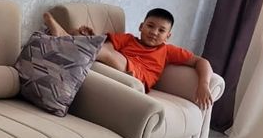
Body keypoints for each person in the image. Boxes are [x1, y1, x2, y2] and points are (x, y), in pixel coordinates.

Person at [42, 8, 214, 109]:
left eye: (161, 30)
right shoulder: (128, 39)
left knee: (108, 52)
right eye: (150, 26)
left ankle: (65, 38)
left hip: (138, 76)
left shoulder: (167, 50)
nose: (154, 32)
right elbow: (106, 44)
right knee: (104, 45)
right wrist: (90, 36)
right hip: (117, 68)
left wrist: (203, 84)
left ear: (168, 36)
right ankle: (73, 37)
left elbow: (201, 61)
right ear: (141, 26)